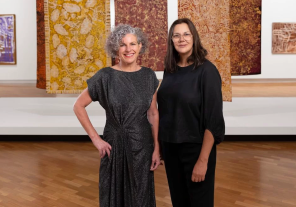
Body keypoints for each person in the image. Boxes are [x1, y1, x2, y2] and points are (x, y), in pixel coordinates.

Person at [73, 24, 160, 207]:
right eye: (123, 45)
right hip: (114, 145)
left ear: (140, 46)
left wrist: (156, 147)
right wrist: (96, 139)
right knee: (113, 194)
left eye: (133, 44)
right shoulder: (105, 77)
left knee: (140, 196)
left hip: (142, 146)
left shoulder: (149, 76)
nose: (128, 49)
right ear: (115, 49)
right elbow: (78, 106)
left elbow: (152, 113)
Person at [157, 18, 225, 207]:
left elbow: (213, 120)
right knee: (179, 202)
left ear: (194, 37)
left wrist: (203, 161)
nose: (181, 39)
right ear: (171, 40)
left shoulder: (207, 71)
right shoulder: (170, 69)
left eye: (186, 34)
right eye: (176, 35)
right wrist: (160, 147)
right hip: (171, 148)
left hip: (196, 149)